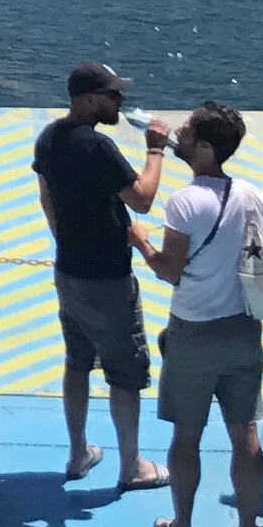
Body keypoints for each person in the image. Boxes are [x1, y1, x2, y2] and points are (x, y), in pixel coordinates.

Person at [136, 102, 263, 527]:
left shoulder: (184, 202)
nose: (178, 133)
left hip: (193, 332)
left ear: (203, 146)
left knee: (187, 436)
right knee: (246, 434)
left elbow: (170, 270)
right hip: (242, 331)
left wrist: (138, 239)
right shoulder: (252, 195)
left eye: (187, 130)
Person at [33, 62, 171, 488]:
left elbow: (47, 199)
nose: (119, 102)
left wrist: (67, 243)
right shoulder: (98, 147)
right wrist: (155, 150)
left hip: (69, 271)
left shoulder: (50, 137)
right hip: (108, 280)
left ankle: (78, 453)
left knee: (77, 362)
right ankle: (131, 466)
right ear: (89, 99)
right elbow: (143, 200)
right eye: (112, 95)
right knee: (125, 373)